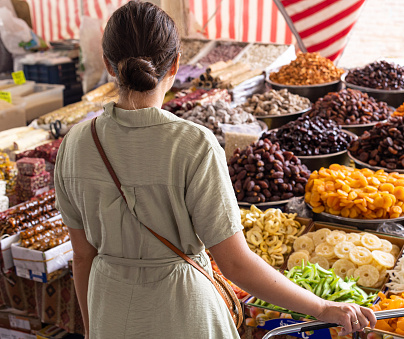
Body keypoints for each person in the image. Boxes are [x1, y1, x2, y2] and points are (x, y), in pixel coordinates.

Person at [54, 1, 377, 338]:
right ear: (177, 63)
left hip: (110, 309)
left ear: (108, 64)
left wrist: (93, 329)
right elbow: (235, 263)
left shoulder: (74, 143)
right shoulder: (194, 143)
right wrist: (323, 307)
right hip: (182, 314)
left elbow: (82, 256)